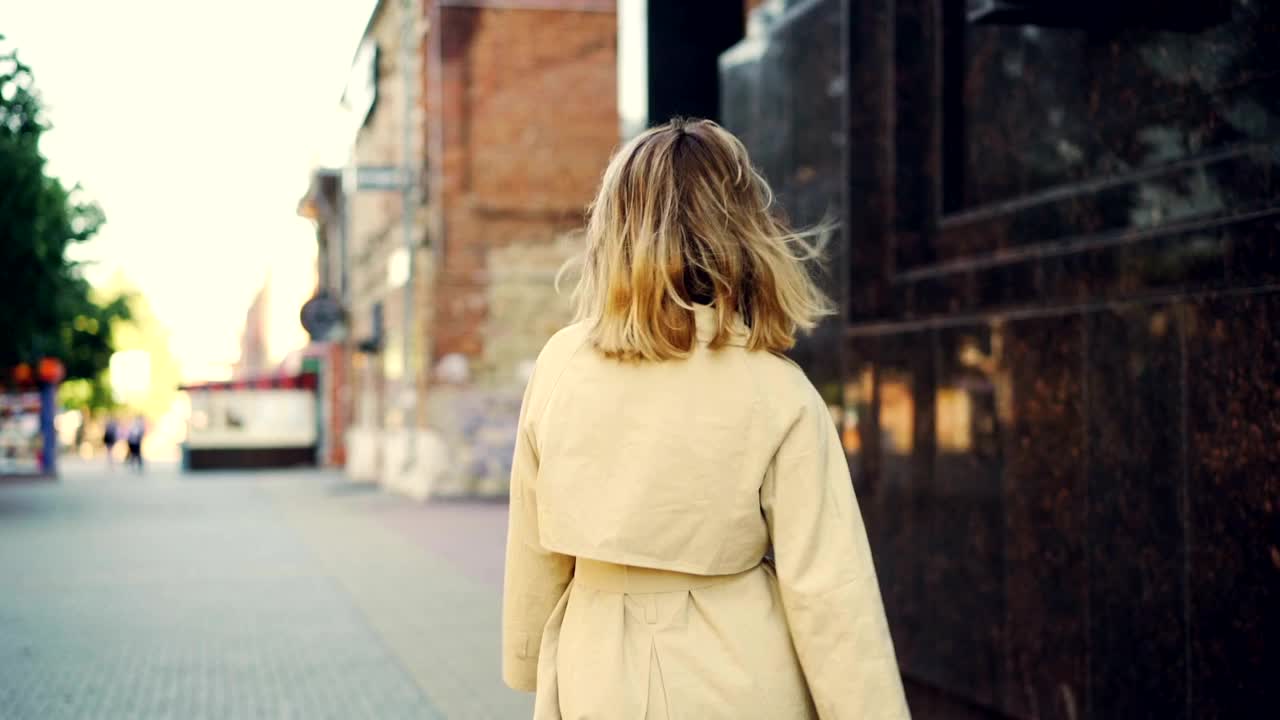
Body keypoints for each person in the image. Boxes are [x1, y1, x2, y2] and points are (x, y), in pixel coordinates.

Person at [502, 118, 910, 719]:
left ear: (614, 231)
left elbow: (533, 538)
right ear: (744, 232)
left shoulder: (561, 363)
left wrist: (527, 657)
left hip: (596, 669)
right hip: (739, 670)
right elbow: (829, 589)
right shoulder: (778, 390)